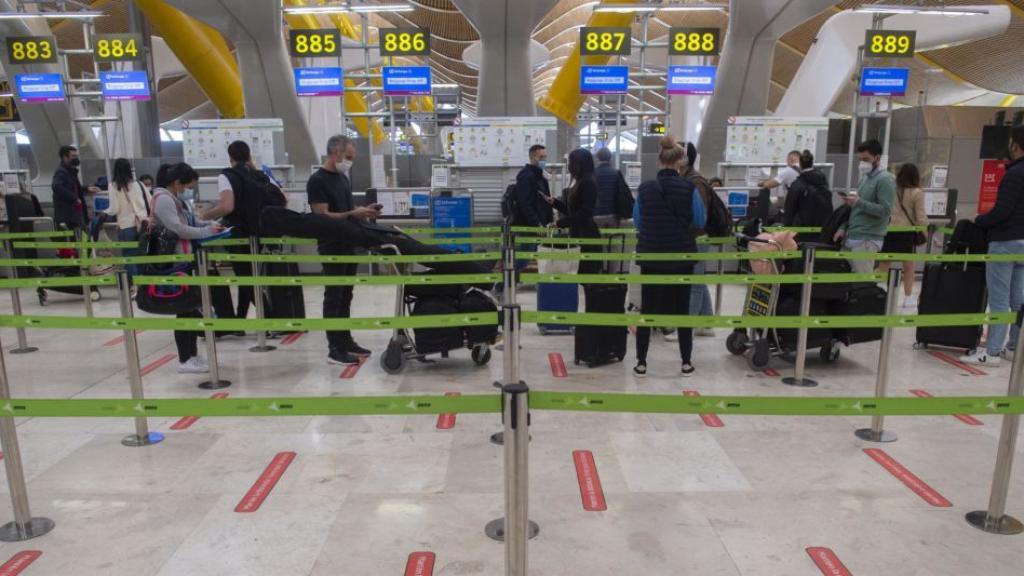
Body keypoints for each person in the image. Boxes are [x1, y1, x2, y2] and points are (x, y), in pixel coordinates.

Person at [632, 136, 705, 378]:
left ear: (659, 161)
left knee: (647, 309)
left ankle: (641, 363)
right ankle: (686, 362)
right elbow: (699, 220)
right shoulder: (689, 188)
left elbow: (639, 221)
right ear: (679, 162)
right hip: (681, 256)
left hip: (651, 255)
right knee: (682, 310)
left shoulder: (645, 189)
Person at [307, 135, 380, 365]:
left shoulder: (342, 178)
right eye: (348, 157)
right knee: (334, 296)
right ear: (335, 153)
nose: (350, 162)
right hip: (332, 246)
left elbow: (346, 211)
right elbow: (321, 216)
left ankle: (346, 340)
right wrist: (351, 214)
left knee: (346, 295)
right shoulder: (317, 181)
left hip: (348, 244)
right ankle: (334, 348)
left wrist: (362, 211)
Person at [150, 162, 223, 374]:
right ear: (176, 183)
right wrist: (206, 232)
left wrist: (211, 227)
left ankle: (192, 354)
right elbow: (178, 228)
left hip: (185, 259)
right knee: (183, 309)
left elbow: (191, 221)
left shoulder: (173, 199)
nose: (187, 190)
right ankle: (184, 358)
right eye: (186, 186)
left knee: (190, 307)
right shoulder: (163, 199)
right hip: (174, 262)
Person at [961, 126, 1024, 366]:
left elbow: (1002, 212)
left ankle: (993, 352)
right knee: (1018, 299)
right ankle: (1016, 347)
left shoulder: (1014, 174)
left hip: (1005, 242)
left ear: (1015, 145)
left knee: (998, 299)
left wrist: (978, 219)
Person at [201, 140, 260, 320]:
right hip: (258, 232)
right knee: (249, 276)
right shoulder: (257, 174)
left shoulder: (227, 176)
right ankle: (239, 319)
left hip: (238, 234)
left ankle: (271, 316)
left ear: (230, 157)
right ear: (248, 154)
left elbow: (227, 206)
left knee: (245, 278)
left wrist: (204, 216)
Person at [834, 139, 895, 274]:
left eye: (866, 159)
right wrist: (844, 227)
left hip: (867, 238)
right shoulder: (865, 178)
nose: (862, 163)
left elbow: (885, 211)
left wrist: (859, 202)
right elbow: (858, 206)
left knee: (862, 282)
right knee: (846, 279)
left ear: (877, 158)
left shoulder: (885, 179)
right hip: (852, 236)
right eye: (860, 159)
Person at [545, 148, 601, 274]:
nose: (569, 166)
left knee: (585, 275)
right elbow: (572, 211)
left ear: (579, 164)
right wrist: (555, 203)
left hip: (586, 236)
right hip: (579, 233)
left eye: (571, 162)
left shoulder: (588, 183)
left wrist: (560, 223)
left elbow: (585, 212)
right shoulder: (580, 181)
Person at [879, 163, 926, 309]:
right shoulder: (917, 193)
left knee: (884, 264)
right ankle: (908, 298)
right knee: (909, 266)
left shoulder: (892, 190)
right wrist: (924, 232)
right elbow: (921, 216)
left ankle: (879, 292)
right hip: (907, 232)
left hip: (890, 230)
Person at [681, 142, 716, 338]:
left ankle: (689, 325)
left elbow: (699, 215)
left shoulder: (695, 182)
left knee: (693, 283)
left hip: (698, 238)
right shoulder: (688, 179)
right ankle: (707, 322)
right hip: (696, 237)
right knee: (699, 280)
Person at [104, 158, 151, 279]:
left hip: (126, 227)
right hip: (143, 225)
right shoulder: (139, 185)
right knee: (141, 255)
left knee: (128, 256)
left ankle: (134, 285)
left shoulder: (113, 186)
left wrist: (103, 213)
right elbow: (151, 202)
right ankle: (142, 284)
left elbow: (114, 209)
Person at [782, 150, 833, 239]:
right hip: (822, 226)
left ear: (800, 164)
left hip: (802, 228)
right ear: (812, 163)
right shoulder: (822, 180)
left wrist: (786, 227)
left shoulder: (798, 183)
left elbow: (790, 207)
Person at [51, 145, 99, 231]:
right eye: (73, 156)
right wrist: (74, 198)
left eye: (76, 156)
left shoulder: (70, 171)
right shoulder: (61, 172)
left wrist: (86, 189)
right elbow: (56, 186)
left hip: (75, 215)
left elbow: (73, 187)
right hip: (67, 217)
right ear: (64, 157)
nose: (76, 158)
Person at [511, 144, 553, 228]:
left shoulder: (541, 176)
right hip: (530, 226)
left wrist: (550, 220)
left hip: (543, 223)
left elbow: (545, 201)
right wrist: (536, 223)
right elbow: (524, 203)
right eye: (541, 157)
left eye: (545, 157)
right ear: (532, 158)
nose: (544, 160)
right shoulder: (525, 177)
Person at [592, 147, 633, 229]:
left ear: (597, 158)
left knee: (597, 241)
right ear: (610, 158)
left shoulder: (592, 174)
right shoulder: (616, 173)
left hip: (595, 214)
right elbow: (624, 192)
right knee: (611, 240)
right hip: (612, 215)